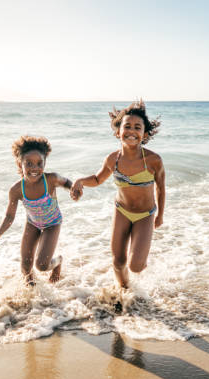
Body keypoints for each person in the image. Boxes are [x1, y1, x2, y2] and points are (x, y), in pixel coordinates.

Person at [70, 100, 165, 289]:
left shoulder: (154, 160)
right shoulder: (113, 159)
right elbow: (97, 179)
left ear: (145, 134)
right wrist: (80, 181)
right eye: (127, 126)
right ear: (118, 132)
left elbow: (160, 188)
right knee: (118, 262)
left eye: (137, 127)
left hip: (145, 215)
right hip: (121, 211)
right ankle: (125, 289)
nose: (131, 131)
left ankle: (142, 257)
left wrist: (160, 215)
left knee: (136, 266)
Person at [0, 135, 72, 286]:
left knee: (42, 265)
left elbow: (67, 182)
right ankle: (32, 295)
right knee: (25, 267)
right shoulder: (16, 189)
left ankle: (58, 262)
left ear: (45, 163)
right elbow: (9, 216)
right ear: (20, 164)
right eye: (28, 163)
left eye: (39, 163)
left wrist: (73, 190)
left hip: (53, 223)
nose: (34, 168)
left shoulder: (51, 179)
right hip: (33, 224)